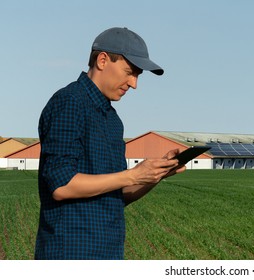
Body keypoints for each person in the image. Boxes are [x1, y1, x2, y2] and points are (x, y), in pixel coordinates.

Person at [35, 27, 185, 259]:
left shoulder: (113, 120)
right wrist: (133, 175)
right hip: (71, 254)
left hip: (108, 253)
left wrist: (155, 175)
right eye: (129, 72)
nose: (134, 84)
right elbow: (61, 185)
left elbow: (116, 195)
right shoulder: (69, 102)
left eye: (137, 76)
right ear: (103, 60)